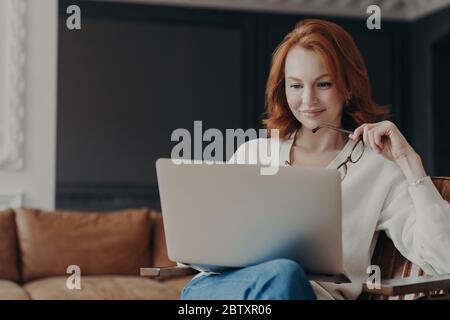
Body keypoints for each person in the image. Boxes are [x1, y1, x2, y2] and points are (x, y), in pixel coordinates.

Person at [180, 19, 450, 300]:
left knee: (285, 275)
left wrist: (409, 161)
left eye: (323, 84)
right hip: (220, 290)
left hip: (304, 294)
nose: (308, 100)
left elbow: (445, 259)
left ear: (347, 88)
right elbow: (205, 244)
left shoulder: (379, 169)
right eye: (296, 86)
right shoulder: (253, 153)